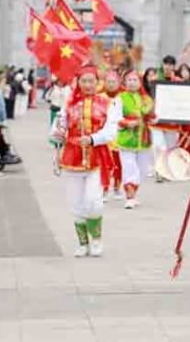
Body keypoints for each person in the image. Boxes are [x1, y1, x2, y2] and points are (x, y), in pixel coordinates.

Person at [50, 64, 122, 257]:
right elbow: (58, 128)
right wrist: (57, 133)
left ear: (97, 82)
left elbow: (110, 132)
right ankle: (83, 243)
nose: (88, 84)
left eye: (91, 81)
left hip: (96, 158)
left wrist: (92, 139)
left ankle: (96, 239)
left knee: (94, 202)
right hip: (71, 158)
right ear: (78, 83)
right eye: (84, 81)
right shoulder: (69, 103)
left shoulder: (108, 103)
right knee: (76, 204)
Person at [116, 69, 154, 209]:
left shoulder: (147, 99)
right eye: (129, 80)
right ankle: (129, 196)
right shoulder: (120, 98)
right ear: (124, 82)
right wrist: (126, 123)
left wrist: (154, 119)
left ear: (139, 82)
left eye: (135, 80)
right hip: (127, 139)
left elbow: (151, 116)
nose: (132, 83)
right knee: (129, 167)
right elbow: (115, 118)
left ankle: (133, 193)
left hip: (144, 139)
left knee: (142, 171)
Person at [102, 70, 124, 200]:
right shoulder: (100, 97)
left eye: (113, 82)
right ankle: (104, 189)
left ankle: (117, 187)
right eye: (109, 82)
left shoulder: (123, 97)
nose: (111, 84)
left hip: (120, 134)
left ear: (118, 83)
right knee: (105, 164)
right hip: (104, 135)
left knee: (119, 164)